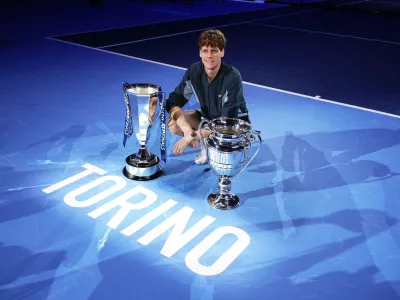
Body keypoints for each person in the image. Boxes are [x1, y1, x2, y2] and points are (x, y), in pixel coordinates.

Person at [165, 29, 250, 164]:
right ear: (200, 53)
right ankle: (206, 141)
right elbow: (173, 101)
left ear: (222, 52)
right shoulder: (194, 72)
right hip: (208, 120)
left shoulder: (232, 76)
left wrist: (192, 136)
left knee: (224, 151)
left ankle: (208, 142)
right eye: (205, 51)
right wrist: (187, 131)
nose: (209, 56)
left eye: (214, 51)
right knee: (173, 124)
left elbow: (226, 120)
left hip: (233, 125)